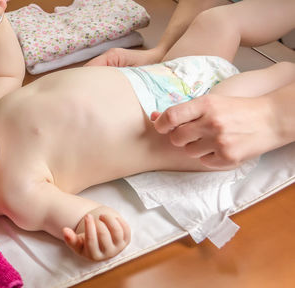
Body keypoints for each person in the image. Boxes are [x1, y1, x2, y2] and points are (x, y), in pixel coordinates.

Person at [0, 0, 295, 263]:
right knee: (274, 79)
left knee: (220, 19)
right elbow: (84, 215)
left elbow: (2, 75)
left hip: (170, 74)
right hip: (195, 121)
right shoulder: (19, 193)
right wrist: (97, 234)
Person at [87, 0, 295, 168]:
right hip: (178, 119)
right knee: (217, 21)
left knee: (286, 72)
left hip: (187, 139)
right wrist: (164, 53)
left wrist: (272, 116)